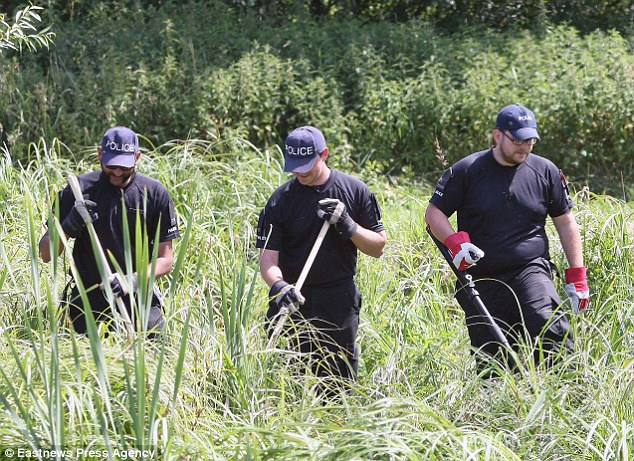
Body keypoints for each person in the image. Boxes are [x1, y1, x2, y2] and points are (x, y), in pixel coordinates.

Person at [425, 104, 589, 372]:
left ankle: (564, 398)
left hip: (531, 268)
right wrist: (455, 242)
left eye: (530, 141)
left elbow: (565, 222)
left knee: (551, 326)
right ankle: (504, 410)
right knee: (494, 360)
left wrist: (578, 276)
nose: (524, 147)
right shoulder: (467, 171)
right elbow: (434, 213)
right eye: (517, 140)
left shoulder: (545, 171)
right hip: (482, 275)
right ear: (498, 136)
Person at [256, 125, 386, 386]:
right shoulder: (279, 201)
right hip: (294, 299)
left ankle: (337, 422)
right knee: (291, 381)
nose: (300, 172)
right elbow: (268, 260)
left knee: (339, 382)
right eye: (294, 165)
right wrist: (280, 287)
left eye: (306, 165)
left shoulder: (355, 191)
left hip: (338, 299)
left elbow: (378, 247)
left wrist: (348, 225)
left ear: (324, 154)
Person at [39, 126, 180, 335]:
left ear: (137, 157)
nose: (117, 172)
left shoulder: (154, 194)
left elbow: (165, 260)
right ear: (99, 154)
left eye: (124, 166)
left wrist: (130, 280)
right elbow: (45, 253)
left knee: (153, 340)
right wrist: (68, 225)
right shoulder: (79, 190)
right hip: (87, 298)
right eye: (111, 164)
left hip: (138, 295)